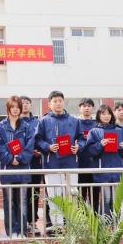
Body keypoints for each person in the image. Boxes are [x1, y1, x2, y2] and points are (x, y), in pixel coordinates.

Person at [35, 91, 86, 234]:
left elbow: (82, 139)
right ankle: (57, 226)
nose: (58, 103)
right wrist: (48, 147)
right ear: (49, 104)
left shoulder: (74, 121)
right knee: (54, 197)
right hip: (52, 164)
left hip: (71, 164)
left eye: (60, 101)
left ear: (64, 102)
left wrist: (78, 147)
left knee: (72, 195)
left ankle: (72, 225)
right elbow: (37, 140)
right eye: (55, 101)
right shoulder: (44, 121)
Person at [0, 96, 35, 239]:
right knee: (9, 201)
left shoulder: (27, 127)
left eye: (18, 107)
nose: (15, 109)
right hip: (7, 169)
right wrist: (10, 159)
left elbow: (30, 146)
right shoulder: (1, 127)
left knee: (22, 201)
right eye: (13, 107)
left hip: (23, 169)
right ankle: (11, 231)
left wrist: (20, 158)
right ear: (8, 108)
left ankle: (22, 231)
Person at [85, 105, 123, 216]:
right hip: (102, 171)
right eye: (103, 114)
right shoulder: (94, 132)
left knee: (116, 200)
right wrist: (100, 145)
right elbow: (90, 152)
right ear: (99, 115)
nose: (106, 116)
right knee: (106, 198)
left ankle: (116, 223)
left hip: (117, 170)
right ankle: (105, 223)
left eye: (108, 114)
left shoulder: (119, 131)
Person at [20, 96, 46, 235]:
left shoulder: (38, 122)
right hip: (20, 163)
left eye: (27, 103)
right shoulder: (15, 122)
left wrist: (40, 151)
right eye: (22, 103)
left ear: (31, 105)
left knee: (33, 194)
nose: (24, 105)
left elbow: (42, 139)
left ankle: (32, 222)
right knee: (19, 195)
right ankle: (19, 222)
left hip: (35, 163)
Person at [77, 98, 99, 210]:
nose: (86, 108)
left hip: (94, 164)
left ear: (93, 108)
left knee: (94, 195)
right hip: (79, 164)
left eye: (89, 106)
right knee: (80, 196)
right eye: (84, 106)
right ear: (79, 108)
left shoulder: (97, 124)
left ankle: (94, 218)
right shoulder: (75, 123)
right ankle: (81, 219)